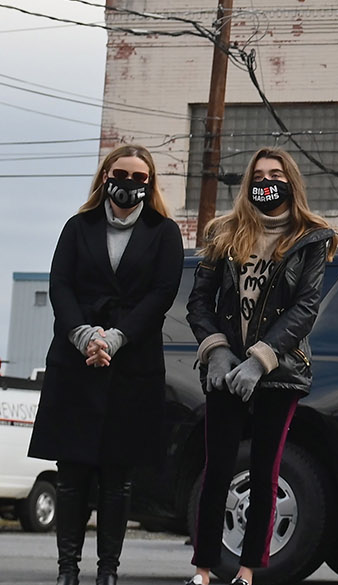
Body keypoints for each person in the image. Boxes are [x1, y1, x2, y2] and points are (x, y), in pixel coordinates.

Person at [30, 145, 184, 585]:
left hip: (133, 364)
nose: (129, 183)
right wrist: (83, 335)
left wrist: (115, 338)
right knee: (71, 475)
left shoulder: (164, 232)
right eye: (121, 174)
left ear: (150, 183)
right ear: (105, 176)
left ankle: (108, 571)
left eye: (139, 177)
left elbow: (162, 293)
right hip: (75, 363)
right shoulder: (78, 227)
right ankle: (67, 569)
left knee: (118, 478)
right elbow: (60, 285)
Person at [185, 148, 336, 585]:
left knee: (266, 470)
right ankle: (203, 571)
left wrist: (261, 359)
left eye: (275, 174)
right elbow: (199, 300)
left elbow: (306, 308)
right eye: (258, 175)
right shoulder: (225, 233)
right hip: (225, 368)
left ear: (291, 181)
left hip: (278, 370)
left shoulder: (311, 237)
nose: (266, 182)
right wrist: (216, 349)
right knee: (218, 469)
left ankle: (247, 572)